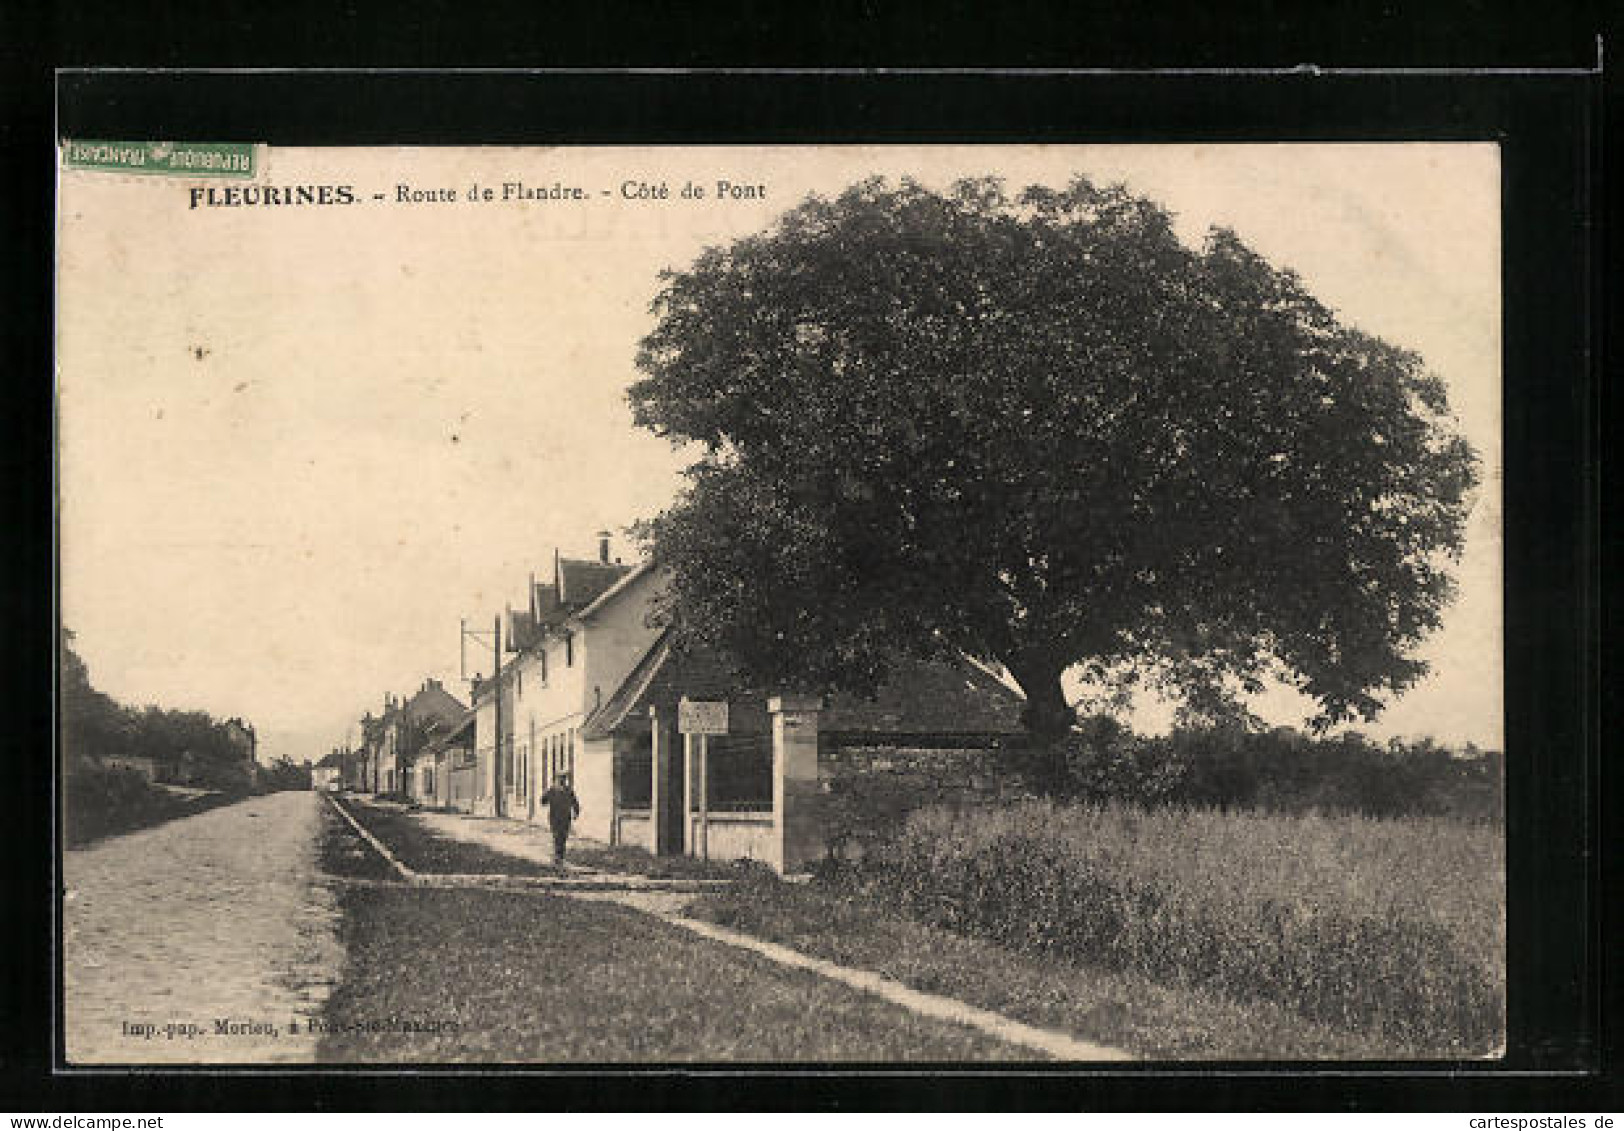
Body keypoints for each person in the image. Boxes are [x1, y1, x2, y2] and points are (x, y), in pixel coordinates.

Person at [539, 773, 581, 866]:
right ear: (556, 780)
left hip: (566, 817)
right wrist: (545, 795)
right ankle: (558, 856)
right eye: (560, 779)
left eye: (563, 779)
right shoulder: (552, 790)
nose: (561, 781)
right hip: (554, 817)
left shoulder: (569, 791)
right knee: (557, 836)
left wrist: (576, 813)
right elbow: (543, 801)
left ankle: (560, 856)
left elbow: (575, 803)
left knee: (563, 836)